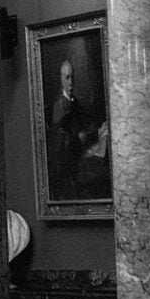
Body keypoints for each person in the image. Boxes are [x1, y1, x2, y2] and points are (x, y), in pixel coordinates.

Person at [47, 58, 108, 200]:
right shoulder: (59, 106)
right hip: (70, 165)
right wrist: (78, 140)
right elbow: (60, 144)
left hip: (81, 152)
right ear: (61, 79)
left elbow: (86, 124)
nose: (70, 83)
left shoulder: (76, 103)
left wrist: (92, 133)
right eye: (67, 78)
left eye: (72, 78)